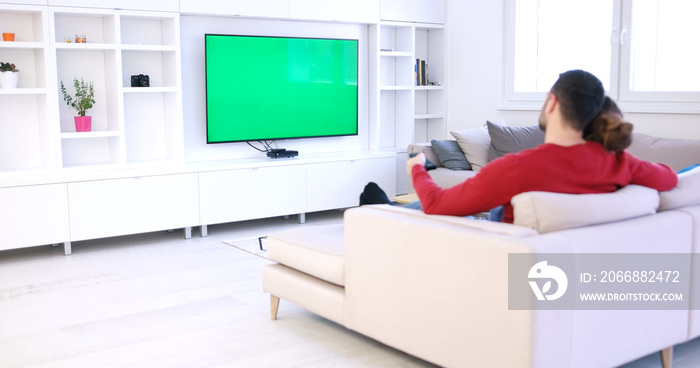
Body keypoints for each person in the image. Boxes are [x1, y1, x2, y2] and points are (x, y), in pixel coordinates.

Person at [362, 69, 678, 223]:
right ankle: (386, 209)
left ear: (552, 103)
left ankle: (381, 215)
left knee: (466, 213)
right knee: (484, 206)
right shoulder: (621, 163)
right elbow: (670, 178)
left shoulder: (519, 166)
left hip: (505, 252)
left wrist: (417, 170)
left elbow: (437, 206)